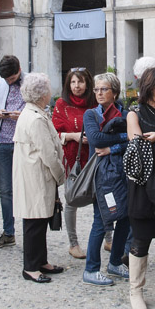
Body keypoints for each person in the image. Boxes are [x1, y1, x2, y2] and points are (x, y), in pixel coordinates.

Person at [125, 66, 155, 309]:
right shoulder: (135, 112)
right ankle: (136, 290)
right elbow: (137, 145)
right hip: (143, 185)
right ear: (151, 86)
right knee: (141, 239)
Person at [12, 72, 66, 283]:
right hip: (36, 177)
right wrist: (60, 175)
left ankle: (41, 261)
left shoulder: (35, 113)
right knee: (34, 222)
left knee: (40, 219)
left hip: (35, 176)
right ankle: (31, 267)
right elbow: (48, 153)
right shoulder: (35, 118)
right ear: (42, 94)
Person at [82, 72, 131, 285]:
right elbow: (95, 139)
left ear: (115, 92)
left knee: (126, 219)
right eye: (97, 89)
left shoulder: (126, 112)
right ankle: (91, 270)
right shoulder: (91, 115)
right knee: (101, 220)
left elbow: (134, 140)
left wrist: (113, 147)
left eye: (104, 89)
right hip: (103, 177)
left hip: (125, 173)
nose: (99, 93)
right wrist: (123, 136)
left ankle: (114, 262)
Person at [52, 67, 96, 259]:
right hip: (72, 158)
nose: (77, 86)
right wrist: (74, 136)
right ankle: (73, 243)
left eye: (80, 82)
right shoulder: (62, 104)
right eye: (73, 82)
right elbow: (54, 134)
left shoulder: (95, 102)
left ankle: (108, 238)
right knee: (71, 200)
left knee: (101, 198)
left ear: (87, 84)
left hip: (95, 157)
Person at [0, 55, 24, 250]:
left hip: (23, 142)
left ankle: (30, 229)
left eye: (12, 78)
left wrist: (23, 115)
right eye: (6, 79)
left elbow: (42, 110)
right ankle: (9, 232)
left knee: (26, 188)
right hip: (2, 141)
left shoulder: (31, 82)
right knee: (6, 191)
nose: (9, 82)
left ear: (19, 70)